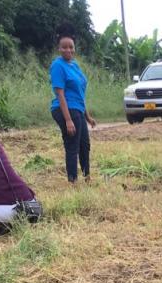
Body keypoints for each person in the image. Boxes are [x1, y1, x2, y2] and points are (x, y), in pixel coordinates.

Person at [50, 29, 96, 184]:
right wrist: (68, 120)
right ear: (59, 48)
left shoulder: (74, 65)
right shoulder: (58, 65)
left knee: (85, 145)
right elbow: (60, 94)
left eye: (71, 47)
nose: (68, 50)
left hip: (77, 109)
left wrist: (87, 116)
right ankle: (73, 182)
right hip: (65, 109)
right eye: (64, 47)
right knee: (73, 145)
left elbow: (80, 93)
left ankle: (87, 178)